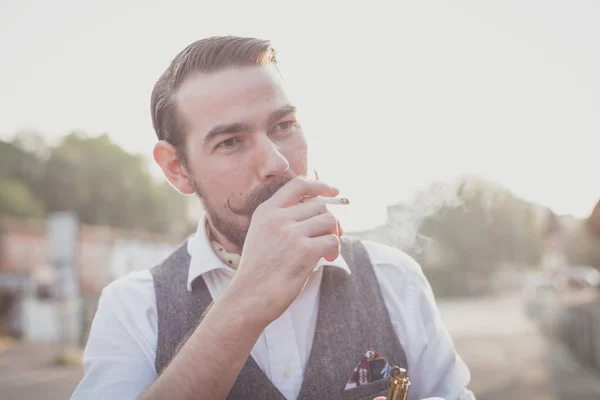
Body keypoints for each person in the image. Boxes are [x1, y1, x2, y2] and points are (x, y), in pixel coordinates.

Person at [72, 36, 475, 400]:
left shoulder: (394, 277)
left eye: (284, 125)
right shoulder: (133, 307)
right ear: (177, 168)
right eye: (231, 141)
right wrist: (246, 299)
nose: (277, 163)